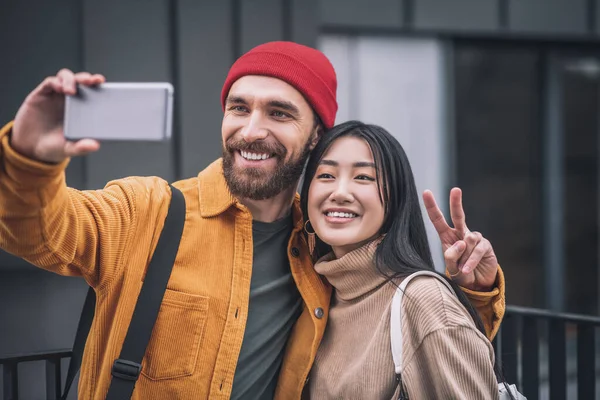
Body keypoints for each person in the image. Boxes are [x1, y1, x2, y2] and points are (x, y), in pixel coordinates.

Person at [0, 41, 505, 399]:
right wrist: (30, 159)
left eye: (280, 114)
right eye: (239, 108)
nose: (252, 129)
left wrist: (471, 291)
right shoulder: (149, 212)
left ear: (314, 138)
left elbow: (408, 336)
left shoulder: (323, 250)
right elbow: (37, 231)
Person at [300, 120, 504, 399]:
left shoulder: (423, 300)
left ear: (395, 199)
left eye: (363, 177)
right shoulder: (318, 291)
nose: (339, 192)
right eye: (325, 175)